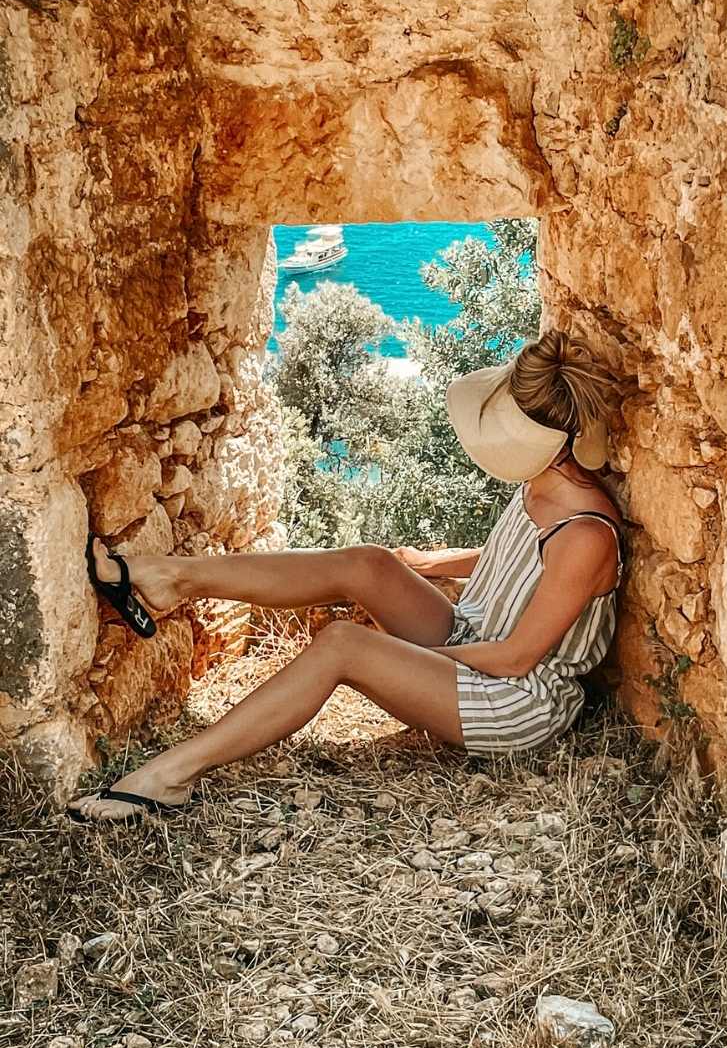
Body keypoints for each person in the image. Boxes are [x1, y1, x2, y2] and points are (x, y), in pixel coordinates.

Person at [68, 329, 623, 823]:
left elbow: (515, 658)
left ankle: (172, 775)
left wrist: (405, 665)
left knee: (344, 646)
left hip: (514, 699)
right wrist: (429, 563)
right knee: (367, 562)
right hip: (474, 635)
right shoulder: (545, 477)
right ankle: (169, 578)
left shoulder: (585, 535)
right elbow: (523, 562)